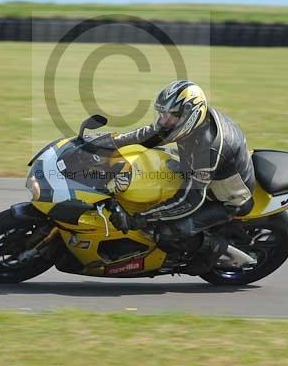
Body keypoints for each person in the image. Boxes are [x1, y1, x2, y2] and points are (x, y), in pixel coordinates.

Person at [88, 80, 256, 275]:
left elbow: (190, 200)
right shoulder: (191, 124)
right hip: (202, 172)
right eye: (162, 114)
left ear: (190, 115)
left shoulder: (207, 148)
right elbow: (149, 135)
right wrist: (110, 142)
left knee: (166, 233)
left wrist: (139, 219)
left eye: (170, 116)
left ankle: (212, 249)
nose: (164, 120)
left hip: (226, 198)